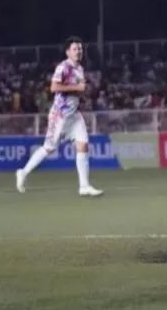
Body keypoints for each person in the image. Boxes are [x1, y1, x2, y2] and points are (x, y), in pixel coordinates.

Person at [15, 36, 104, 197]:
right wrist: (77, 87)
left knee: (83, 145)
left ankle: (84, 186)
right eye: (75, 49)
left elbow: (77, 91)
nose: (78, 51)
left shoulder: (80, 69)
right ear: (68, 52)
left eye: (80, 49)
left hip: (74, 115)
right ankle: (23, 172)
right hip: (60, 115)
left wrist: (83, 92)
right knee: (49, 148)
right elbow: (54, 87)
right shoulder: (63, 67)